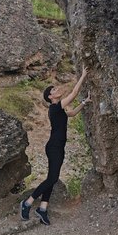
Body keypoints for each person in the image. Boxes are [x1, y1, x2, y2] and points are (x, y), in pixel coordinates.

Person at [20, 67, 91, 225]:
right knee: (52, 178)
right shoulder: (54, 107)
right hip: (53, 147)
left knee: (52, 178)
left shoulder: (59, 110)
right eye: (54, 89)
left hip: (58, 146)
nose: (57, 89)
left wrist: (85, 102)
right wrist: (83, 75)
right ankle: (27, 203)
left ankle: (43, 209)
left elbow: (71, 114)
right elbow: (73, 94)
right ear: (51, 97)